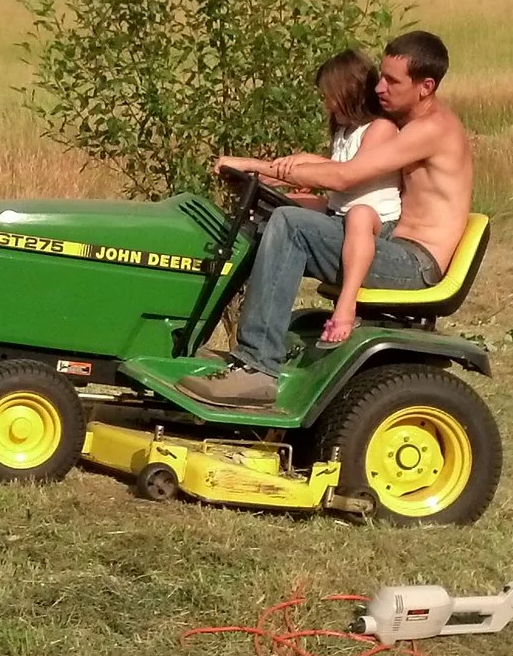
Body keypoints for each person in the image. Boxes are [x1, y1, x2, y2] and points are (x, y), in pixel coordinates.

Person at [185, 30, 475, 409]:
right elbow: (344, 178)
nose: (380, 87)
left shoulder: (429, 130)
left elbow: (344, 176)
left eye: (392, 80)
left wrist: (256, 166)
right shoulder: (402, 126)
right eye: (381, 75)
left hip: (413, 263)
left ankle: (258, 367)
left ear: (426, 87)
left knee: (290, 225)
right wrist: (270, 179)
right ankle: (194, 342)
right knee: (267, 217)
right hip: (387, 245)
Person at [261, 49, 401, 346]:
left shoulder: (381, 129)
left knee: (359, 214)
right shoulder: (345, 132)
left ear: (350, 92)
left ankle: (346, 305)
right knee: (281, 206)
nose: (326, 103)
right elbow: (333, 179)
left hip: (377, 225)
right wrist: (275, 175)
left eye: (329, 95)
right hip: (340, 216)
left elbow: (345, 175)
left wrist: (305, 166)